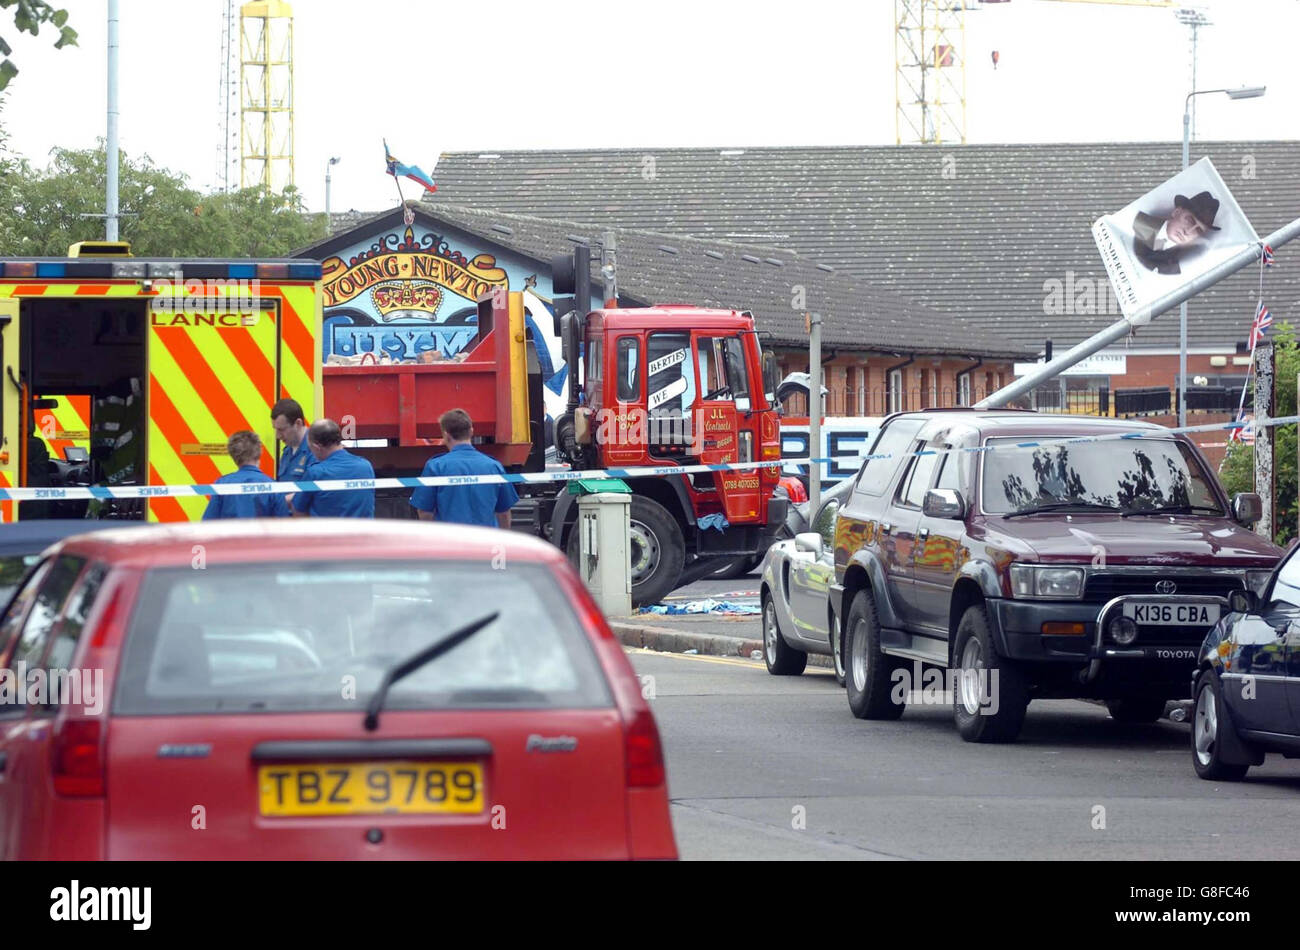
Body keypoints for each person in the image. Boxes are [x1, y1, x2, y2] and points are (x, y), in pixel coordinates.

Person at [410, 408, 519, 528]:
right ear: (471, 431)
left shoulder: (436, 467)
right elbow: (504, 513)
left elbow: (424, 512)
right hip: (486, 542)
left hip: (450, 542)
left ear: (446, 435)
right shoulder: (494, 466)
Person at [291, 419, 376, 518]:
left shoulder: (315, 473)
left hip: (328, 533)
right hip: (363, 533)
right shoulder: (366, 467)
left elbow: (298, 510)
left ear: (317, 447)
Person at [202, 430, 290, 519]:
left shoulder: (222, 484)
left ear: (233, 456)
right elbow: (283, 525)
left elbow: (208, 523)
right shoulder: (273, 486)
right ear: (260, 452)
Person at [1131, 191, 1220, 276]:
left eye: (1198, 230)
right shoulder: (1137, 223)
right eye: (1189, 220)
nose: (1187, 232)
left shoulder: (1181, 264)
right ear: (1176, 212)